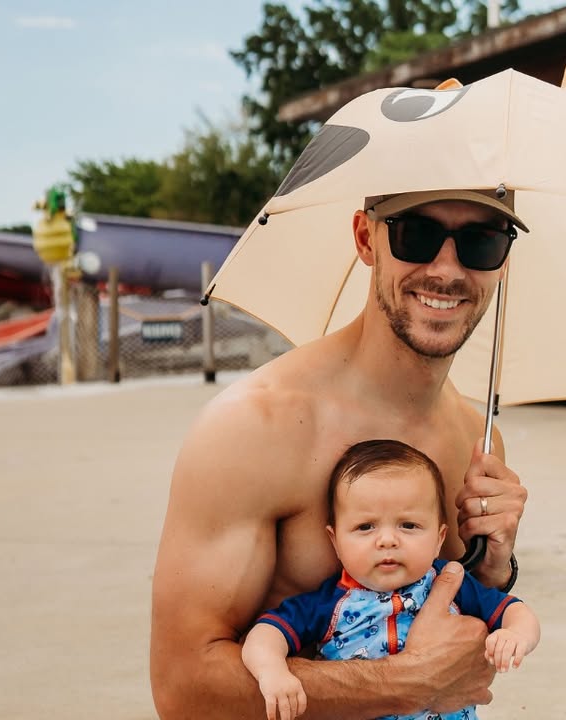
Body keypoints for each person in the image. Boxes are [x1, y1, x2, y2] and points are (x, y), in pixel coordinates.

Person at [150, 187, 531, 720]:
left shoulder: (475, 439)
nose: (447, 269)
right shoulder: (255, 427)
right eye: (416, 234)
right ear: (365, 239)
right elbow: (182, 690)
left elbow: (449, 617)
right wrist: (408, 682)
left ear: (503, 260)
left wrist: (492, 566)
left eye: (481, 241)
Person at [241, 439, 541, 720]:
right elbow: (266, 633)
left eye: (408, 525)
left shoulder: (451, 585)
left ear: (439, 539)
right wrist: (271, 670)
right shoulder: (329, 603)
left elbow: (515, 610)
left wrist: (516, 635)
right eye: (365, 527)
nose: (387, 540)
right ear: (335, 541)